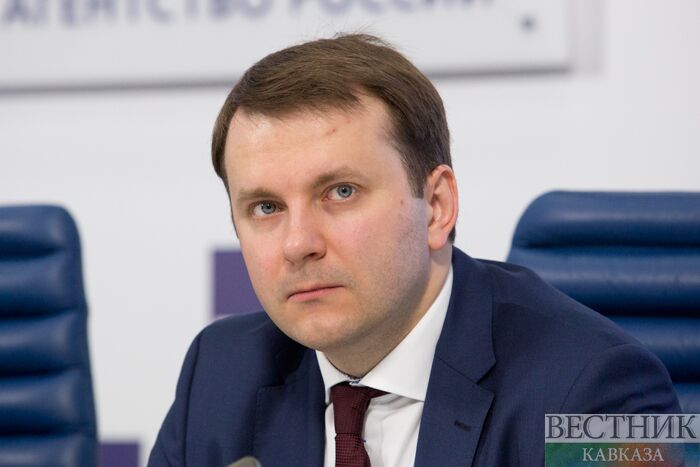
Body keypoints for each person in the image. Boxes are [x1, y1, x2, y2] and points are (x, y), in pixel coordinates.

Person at [148, 34, 679, 467]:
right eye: (266, 207)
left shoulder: (605, 387)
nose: (298, 243)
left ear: (437, 207)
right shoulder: (219, 372)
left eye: (341, 192)